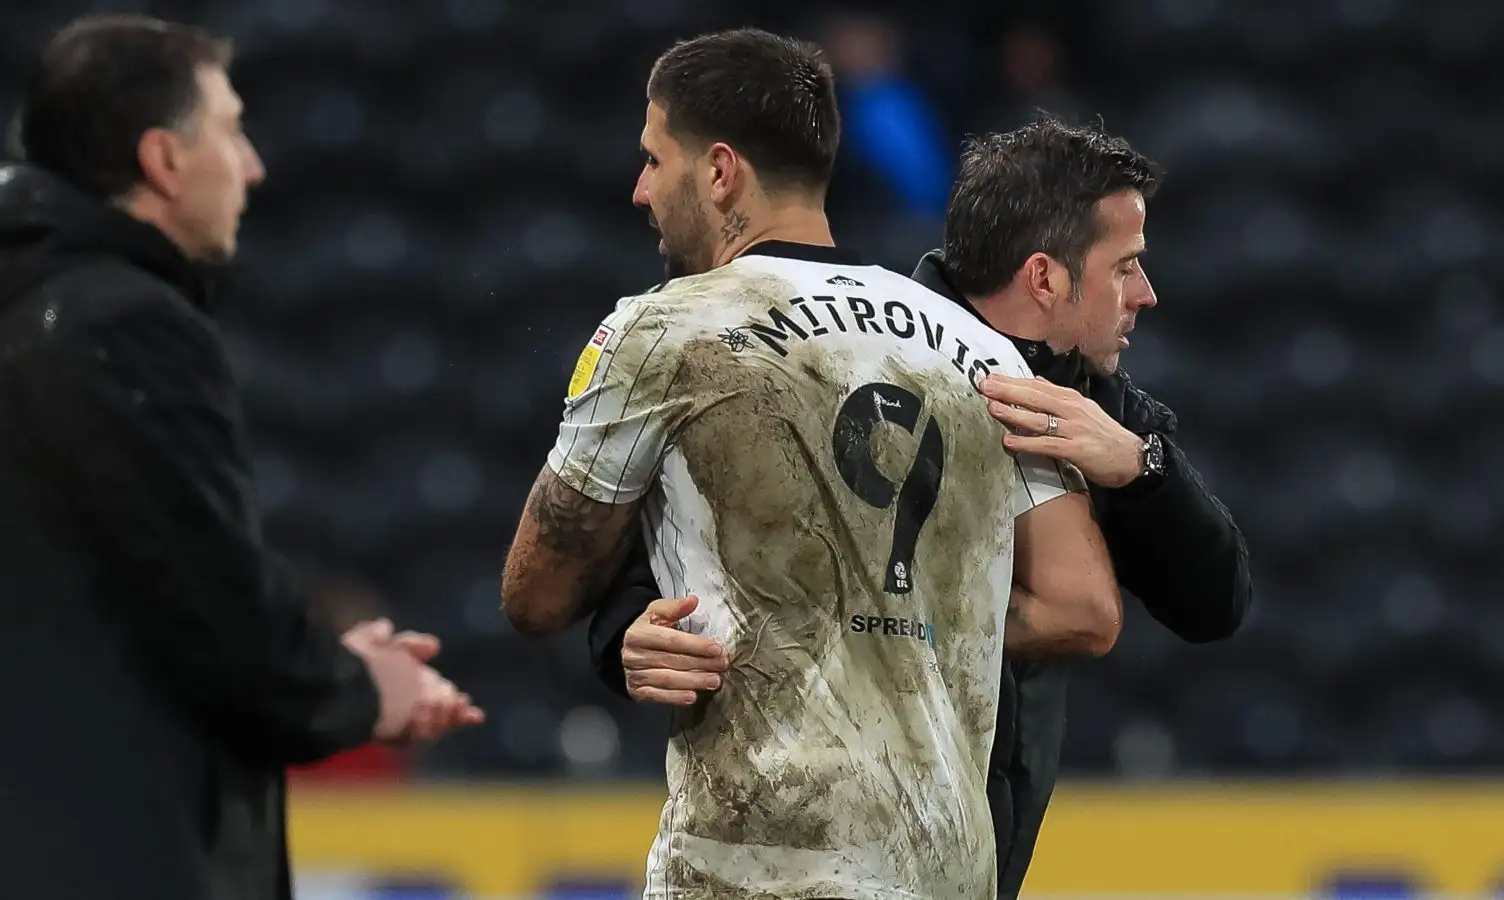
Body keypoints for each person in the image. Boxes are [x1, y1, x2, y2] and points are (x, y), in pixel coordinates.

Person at [501, 28, 1120, 900]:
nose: (640, 190)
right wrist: (916, 627)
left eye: (653, 159)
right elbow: (1082, 608)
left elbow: (535, 593)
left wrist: (759, 624)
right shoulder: (983, 354)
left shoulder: (664, 331)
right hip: (941, 867)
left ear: (720, 172)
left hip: (754, 865)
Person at [590, 118, 1252, 900]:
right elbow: (655, 532)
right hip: (799, 860)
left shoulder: (1093, 405)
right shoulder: (842, 352)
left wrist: (1141, 469)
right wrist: (624, 630)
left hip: (968, 866)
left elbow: (1217, 604)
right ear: (1044, 278)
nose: (1146, 293)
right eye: (1127, 267)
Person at [0, 15, 482, 900]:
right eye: (230, 128)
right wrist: (359, 686)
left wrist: (318, 662)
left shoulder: (30, 308)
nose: (254, 165)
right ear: (163, 159)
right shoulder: (121, 323)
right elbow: (206, 603)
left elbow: (114, 607)